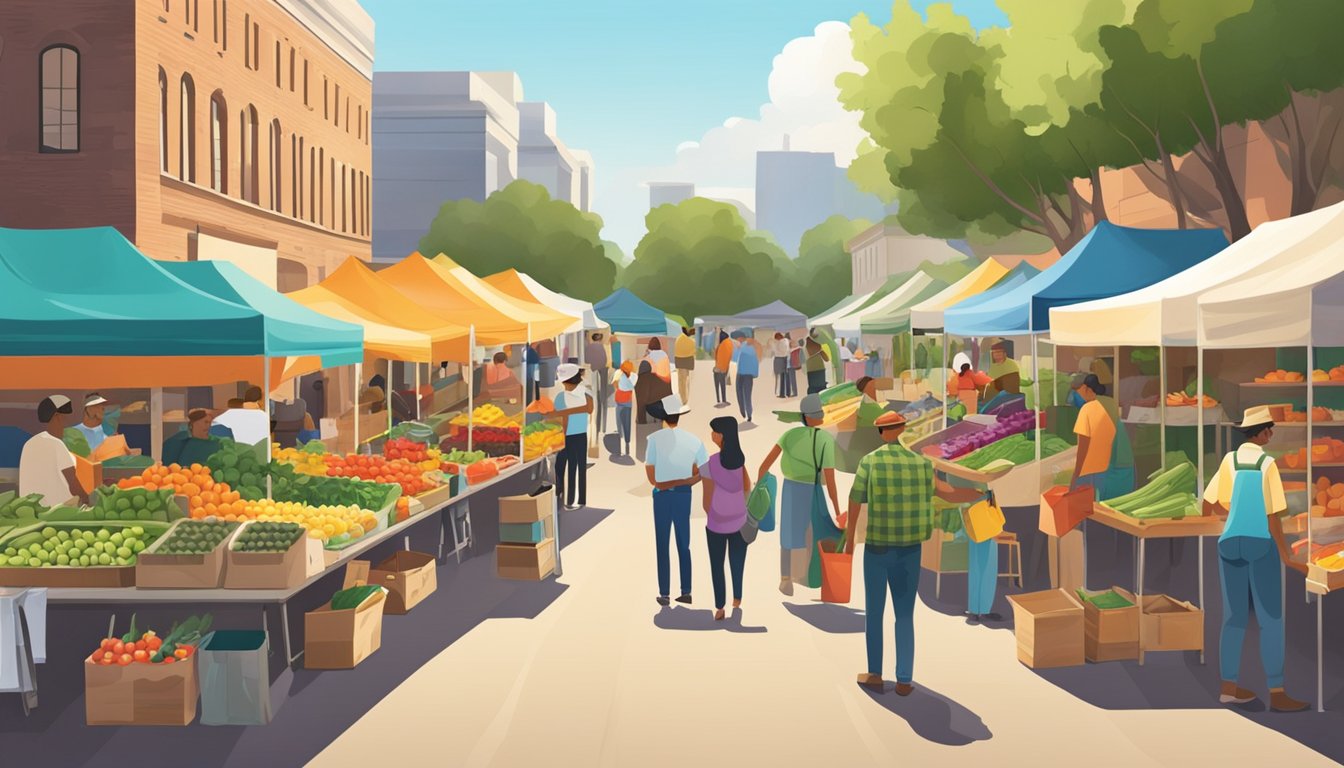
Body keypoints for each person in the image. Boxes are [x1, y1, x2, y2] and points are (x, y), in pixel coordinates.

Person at [845, 411, 982, 694]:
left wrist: (849, 543)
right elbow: (948, 492)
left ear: (882, 433)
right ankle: (904, 679)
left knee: (874, 612)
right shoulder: (921, 464)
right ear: (903, 429)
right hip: (910, 550)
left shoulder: (869, 462)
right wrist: (981, 493)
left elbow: (855, 500)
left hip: (877, 548)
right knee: (904, 614)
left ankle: (875, 674)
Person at [1199, 407, 1307, 711]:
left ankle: (1228, 687)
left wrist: (1229, 519)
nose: (1271, 434)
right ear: (1260, 433)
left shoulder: (1229, 460)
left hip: (1229, 544)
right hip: (1260, 543)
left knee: (1233, 617)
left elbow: (1208, 503)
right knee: (1270, 619)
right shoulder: (1267, 463)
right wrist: (1286, 554)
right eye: (1269, 429)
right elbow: (1273, 515)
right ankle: (1277, 691)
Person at [758, 394, 841, 596]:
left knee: (789, 532)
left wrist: (760, 485)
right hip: (812, 489)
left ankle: (786, 578)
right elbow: (830, 478)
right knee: (816, 531)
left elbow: (765, 464)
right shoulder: (825, 439)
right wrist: (837, 508)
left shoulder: (789, 435)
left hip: (790, 489)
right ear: (813, 417)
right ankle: (812, 575)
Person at [644, 394, 707, 606]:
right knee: (684, 543)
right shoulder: (694, 441)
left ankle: (664, 592)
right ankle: (686, 590)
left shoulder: (653, 440)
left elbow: (652, 477)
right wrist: (687, 480)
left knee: (662, 544)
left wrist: (666, 482)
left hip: (661, 497)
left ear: (663, 417)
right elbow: (704, 472)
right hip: (683, 496)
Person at [701, 416, 752, 621]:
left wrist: (714, 514)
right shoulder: (741, 462)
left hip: (716, 523)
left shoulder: (710, 463)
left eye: (715, 431)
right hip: (739, 520)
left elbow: (706, 500)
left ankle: (720, 607)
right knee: (737, 561)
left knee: (717, 564)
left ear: (722, 436)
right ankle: (737, 598)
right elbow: (747, 487)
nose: (712, 435)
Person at [20, 395, 88, 506]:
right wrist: (87, 500)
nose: (69, 423)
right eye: (68, 417)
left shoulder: (29, 444)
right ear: (57, 416)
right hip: (57, 509)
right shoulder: (56, 444)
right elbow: (74, 485)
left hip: (31, 508)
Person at [551, 363, 594, 509]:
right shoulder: (586, 393)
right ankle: (578, 500)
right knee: (579, 467)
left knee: (562, 467)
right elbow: (590, 410)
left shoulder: (561, 397)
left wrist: (561, 414)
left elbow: (561, 420)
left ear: (565, 381)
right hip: (581, 435)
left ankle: (566, 500)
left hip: (566, 436)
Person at [1069, 374, 1116, 496]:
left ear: (1086, 389)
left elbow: (1083, 446)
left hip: (1088, 472)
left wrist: (1076, 474)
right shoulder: (1105, 408)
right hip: (1104, 469)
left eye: (1078, 391)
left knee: (1085, 509)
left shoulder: (1086, 410)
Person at [162, 408, 227, 467]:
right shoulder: (178, 441)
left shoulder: (217, 443)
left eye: (210, 423)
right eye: (206, 422)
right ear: (193, 423)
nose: (209, 426)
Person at [634, 360, 673, 425]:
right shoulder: (658, 376)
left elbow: (641, 403)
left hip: (657, 408)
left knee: (651, 407)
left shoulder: (641, 381)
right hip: (671, 405)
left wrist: (641, 422)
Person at [585, 333, 610, 435]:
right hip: (601, 371)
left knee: (595, 396)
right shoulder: (602, 347)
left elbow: (586, 359)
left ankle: (596, 426)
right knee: (603, 398)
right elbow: (604, 360)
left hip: (592, 371)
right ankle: (602, 428)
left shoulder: (588, 347)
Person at [735, 333, 760, 422]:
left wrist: (740, 346)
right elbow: (735, 357)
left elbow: (750, 353)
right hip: (740, 373)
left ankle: (749, 414)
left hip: (747, 375)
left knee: (747, 395)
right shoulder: (743, 346)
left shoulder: (752, 347)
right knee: (739, 393)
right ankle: (743, 411)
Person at [614, 360, 637, 456]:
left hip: (619, 401)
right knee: (627, 423)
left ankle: (621, 441)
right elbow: (632, 387)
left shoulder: (619, 375)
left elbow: (615, 384)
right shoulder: (633, 377)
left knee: (619, 423)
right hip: (627, 402)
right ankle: (627, 443)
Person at [674, 326, 696, 405]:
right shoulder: (691, 340)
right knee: (687, 380)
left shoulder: (679, 338)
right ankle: (686, 398)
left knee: (682, 381)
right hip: (688, 360)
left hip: (681, 361)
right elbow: (694, 350)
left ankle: (683, 399)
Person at [713, 331, 734, 406]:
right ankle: (723, 400)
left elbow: (716, 356)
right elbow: (727, 357)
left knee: (718, 385)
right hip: (723, 369)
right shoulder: (729, 344)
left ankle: (719, 399)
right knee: (722, 385)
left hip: (718, 369)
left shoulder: (721, 345)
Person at [771, 333, 791, 397]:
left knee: (780, 377)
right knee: (786, 376)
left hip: (780, 359)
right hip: (786, 359)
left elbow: (778, 351)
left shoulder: (780, 343)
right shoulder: (786, 341)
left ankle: (781, 393)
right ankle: (787, 393)